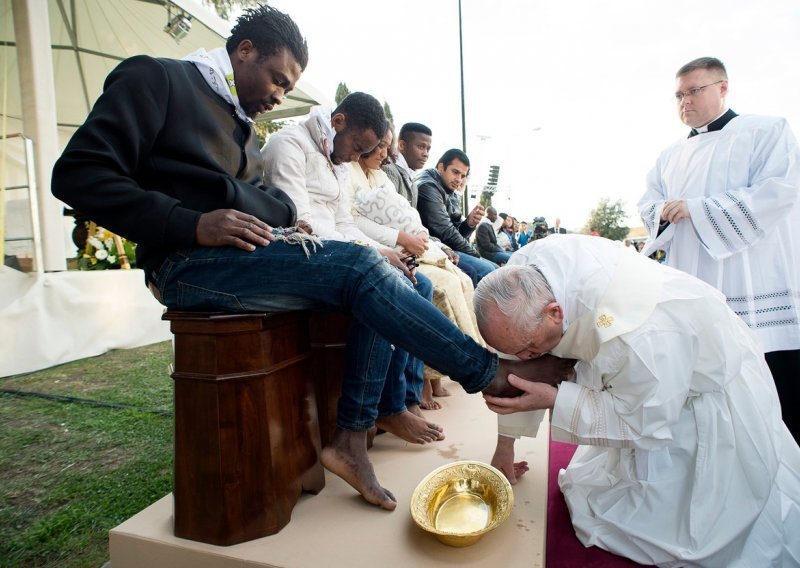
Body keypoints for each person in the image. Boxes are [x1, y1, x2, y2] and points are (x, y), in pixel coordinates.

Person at [50, 5, 576, 512]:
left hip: (243, 253)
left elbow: (263, 200)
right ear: (245, 50)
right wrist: (192, 222)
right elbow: (77, 175)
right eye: (277, 80)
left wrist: (282, 219)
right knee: (359, 267)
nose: (279, 96)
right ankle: (488, 375)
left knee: (380, 276)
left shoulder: (238, 125)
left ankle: (354, 436)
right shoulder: (157, 79)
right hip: (185, 264)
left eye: (286, 85)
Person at [473, 234, 800, 566]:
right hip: (643, 377)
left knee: (687, 527)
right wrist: (506, 444)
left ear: (555, 312)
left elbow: (643, 420)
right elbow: (515, 351)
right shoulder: (521, 278)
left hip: (696, 395)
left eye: (529, 348)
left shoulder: (637, 336)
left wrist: (557, 400)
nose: (524, 358)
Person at [260, 92, 445, 443]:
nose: (356, 158)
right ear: (338, 122)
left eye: (364, 152)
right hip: (302, 255)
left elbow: (346, 224)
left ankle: (395, 404)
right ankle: (376, 414)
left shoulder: (339, 162)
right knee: (380, 286)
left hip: (340, 252)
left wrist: (382, 251)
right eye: (358, 147)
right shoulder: (289, 146)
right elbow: (303, 227)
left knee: (416, 283)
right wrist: (375, 254)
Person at [638, 56, 800, 442]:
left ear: (723, 87)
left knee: (771, 375)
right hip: (695, 276)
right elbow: (648, 203)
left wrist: (698, 210)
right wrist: (662, 211)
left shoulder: (766, 131)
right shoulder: (669, 155)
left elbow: (777, 192)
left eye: (694, 91)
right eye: (679, 95)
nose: (685, 102)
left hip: (754, 276)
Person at [345, 126, 484, 407]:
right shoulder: (349, 171)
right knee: (432, 285)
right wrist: (404, 239)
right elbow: (349, 221)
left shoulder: (383, 175)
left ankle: (467, 361)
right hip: (382, 250)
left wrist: (424, 238)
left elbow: (412, 217)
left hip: (411, 248)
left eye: (387, 146)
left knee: (463, 279)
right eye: (381, 146)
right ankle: (415, 391)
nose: (385, 153)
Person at [416, 149, 498, 286]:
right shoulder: (428, 186)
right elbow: (446, 232)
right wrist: (476, 254)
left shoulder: (448, 189)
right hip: (433, 247)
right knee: (489, 271)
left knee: (495, 268)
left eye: (462, 175)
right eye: (455, 172)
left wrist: (469, 224)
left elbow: (455, 232)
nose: (459, 180)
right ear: (441, 167)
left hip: (447, 246)